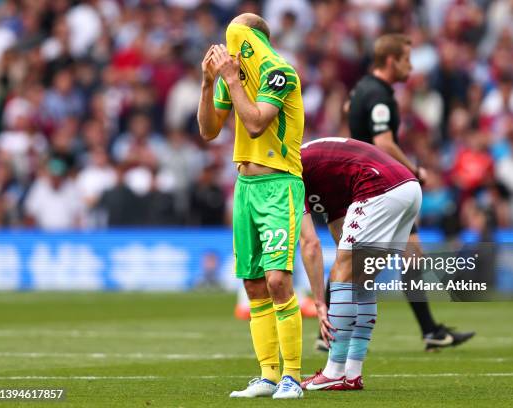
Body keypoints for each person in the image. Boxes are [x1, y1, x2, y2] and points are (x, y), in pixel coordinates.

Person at [197, 13, 327, 399]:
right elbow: (208, 130)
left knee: (277, 280)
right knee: (253, 284)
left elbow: (254, 124)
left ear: (253, 40)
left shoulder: (280, 74)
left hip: (279, 184)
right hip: (245, 187)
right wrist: (208, 83)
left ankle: (292, 376)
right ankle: (268, 374)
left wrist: (232, 79)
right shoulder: (233, 76)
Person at [341, 32, 474, 351]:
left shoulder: (362, 88)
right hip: (381, 186)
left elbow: (349, 108)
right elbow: (384, 141)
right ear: (390, 61)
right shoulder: (381, 95)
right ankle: (329, 328)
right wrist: (413, 170)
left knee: (411, 256)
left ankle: (430, 331)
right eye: (406, 60)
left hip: (373, 183)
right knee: (361, 263)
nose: (410, 67)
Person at [299, 137, 421, 390]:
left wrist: (320, 300)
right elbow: (337, 227)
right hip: (407, 186)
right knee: (362, 279)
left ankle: (333, 371)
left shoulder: (288, 172)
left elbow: (310, 243)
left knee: (342, 274)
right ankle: (352, 373)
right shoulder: (317, 168)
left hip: (379, 186)